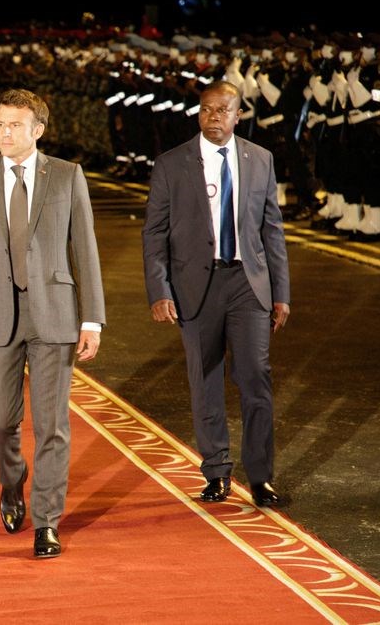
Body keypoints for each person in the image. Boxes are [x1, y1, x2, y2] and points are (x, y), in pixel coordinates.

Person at [0, 88, 106, 559]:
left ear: (38, 130)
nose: (5, 133)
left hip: (55, 315)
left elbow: (85, 250)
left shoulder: (67, 177)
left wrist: (92, 319)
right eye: (0, 124)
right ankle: (12, 481)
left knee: (53, 425)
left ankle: (47, 520)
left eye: (15, 125)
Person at [142, 79, 290, 508]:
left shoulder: (260, 160)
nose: (214, 117)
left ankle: (261, 478)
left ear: (237, 115)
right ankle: (217, 472)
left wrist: (281, 293)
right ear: (198, 112)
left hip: (248, 284)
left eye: (223, 111)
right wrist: (159, 290)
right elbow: (154, 233)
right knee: (204, 380)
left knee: (255, 379)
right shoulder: (172, 164)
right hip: (195, 287)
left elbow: (272, 231)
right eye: (207, 109)